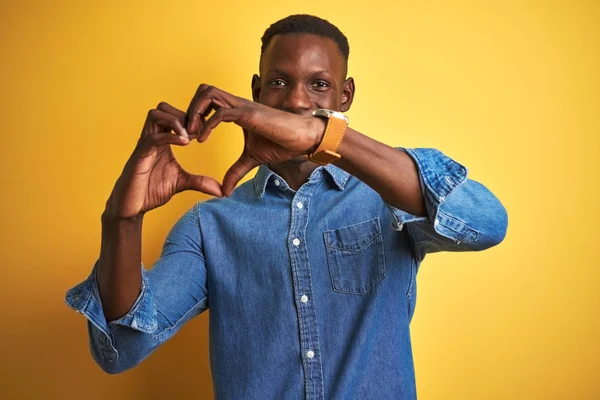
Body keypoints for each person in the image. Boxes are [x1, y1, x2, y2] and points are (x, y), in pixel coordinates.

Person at [66, 14, 508, 400]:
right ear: (257, 92)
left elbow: (487, 222)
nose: (297, 101)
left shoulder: (388, 195)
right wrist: (122, 221)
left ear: (345, 96)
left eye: (319, 84)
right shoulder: (210, 224)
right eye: (279, 83)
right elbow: (120, 348)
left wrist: (325, 138)